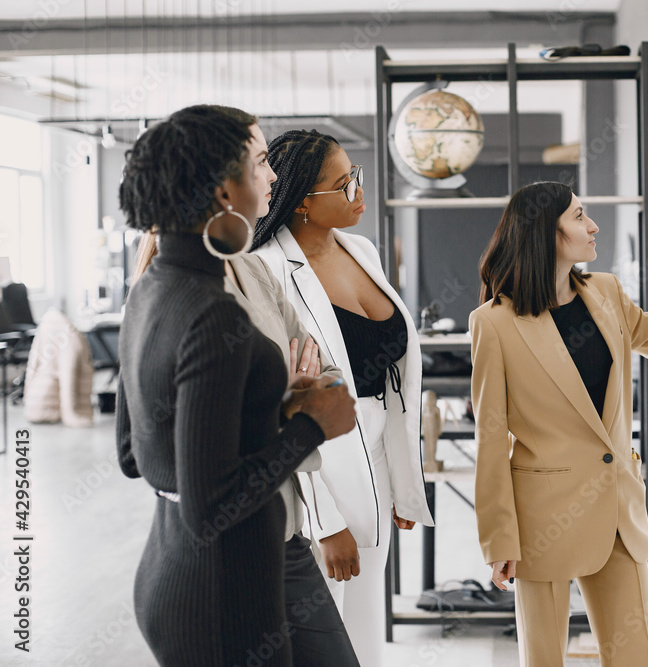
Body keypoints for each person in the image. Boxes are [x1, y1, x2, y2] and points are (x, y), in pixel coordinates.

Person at [471, 181, 648, 666]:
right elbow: (489, 435)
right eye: (579, 216)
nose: (593, 225)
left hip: (616, 509)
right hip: (539, 522)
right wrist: (497, 537)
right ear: (548, 233)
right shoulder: (494, 323)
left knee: (636, 657)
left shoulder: (604, 291)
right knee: (543, 659)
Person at [115, 105, 357, 667]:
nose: (272, 176)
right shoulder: (212, 315)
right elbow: (212, 506)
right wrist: (309, 425)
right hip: (226, 595)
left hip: (182, 575)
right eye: (261, 163)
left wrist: (264, 416)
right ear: (226, 190)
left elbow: (134, 456)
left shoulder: (151, 290)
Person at [252, 129, 434, 666]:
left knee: (364, 626)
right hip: (320, 469)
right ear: (305, 200)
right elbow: (284, 409)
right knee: (322, 633)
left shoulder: (363, 250)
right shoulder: (266, 270)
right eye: (345, 181)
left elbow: (394, 382)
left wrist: (400, 483)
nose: (359, 189)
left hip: (377, 457)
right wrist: (325, 522)